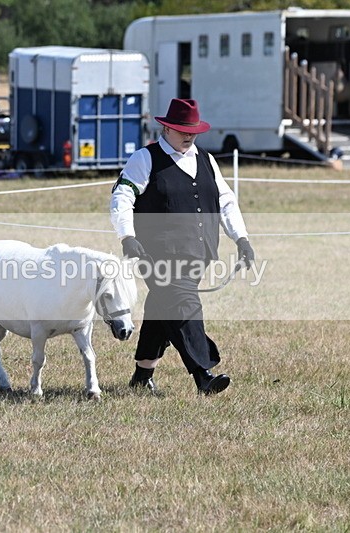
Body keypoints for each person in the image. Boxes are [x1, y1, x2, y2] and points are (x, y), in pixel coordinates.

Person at [109, 98, 255, 395]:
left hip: (198, 253)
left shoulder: (206, 160)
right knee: (183, 304)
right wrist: (127, 236)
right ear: (166, 128)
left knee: (164, 307)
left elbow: (226, 202)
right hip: (155, 253)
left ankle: (141, 376)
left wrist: (241, 238)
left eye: (193, 131)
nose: (188, 135)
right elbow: (122, 197)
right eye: (181, 130)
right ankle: (203, 374)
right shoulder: (144, 158)